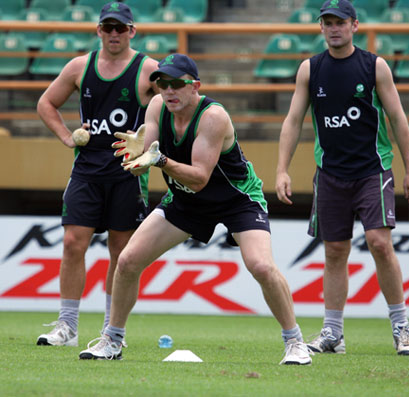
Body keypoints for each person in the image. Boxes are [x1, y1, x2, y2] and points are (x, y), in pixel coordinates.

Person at [78, 53, 312, 365]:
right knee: (128, 260)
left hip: (236, 199)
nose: (169, 90)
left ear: (195, 86)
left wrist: (157, 160)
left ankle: (295, 343)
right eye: (162, 83)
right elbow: (147, 147)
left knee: (261, 266)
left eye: (177, 83)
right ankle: (112, 340)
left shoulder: (213, 116)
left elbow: (200, 177)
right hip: (186, 200)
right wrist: (137, 153)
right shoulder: (158, 106)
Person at [275, 0, 409, 356]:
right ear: (321, 27)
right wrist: (282, 168)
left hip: (373, 170)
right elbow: (293, 121)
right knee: (335, 251)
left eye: (340, 22)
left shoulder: (375, 66)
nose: (333, 28)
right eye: (327, 22)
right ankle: (333, 333)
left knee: (379, 243)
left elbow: (398, 119)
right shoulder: (310, 69)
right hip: (329, 175)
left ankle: (402, 329)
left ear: (354, 25)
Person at [36, 2, 159, 346]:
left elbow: (174, 105)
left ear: (132, 31)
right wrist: (66, 137)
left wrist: (149, 141)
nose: (114, 34)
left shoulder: (147, 69)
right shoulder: (80, 66)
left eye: (121, 28)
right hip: (87, 170)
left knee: (121, 253)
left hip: (128, 173)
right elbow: (46, 103)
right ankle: (68, 326)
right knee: (73, 243)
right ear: (98, 31)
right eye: (108, 28)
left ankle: (111, 331)